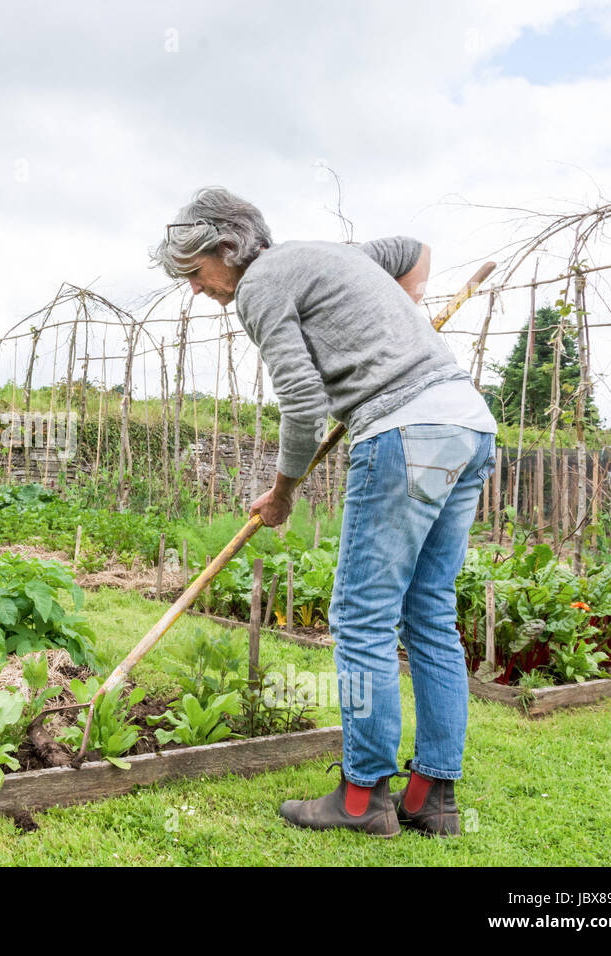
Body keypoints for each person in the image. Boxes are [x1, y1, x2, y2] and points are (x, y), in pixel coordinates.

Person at [151, 187, 497, 837]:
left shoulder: (258, 288)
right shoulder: (332, 257)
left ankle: (363, 797)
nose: (197, 290)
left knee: (362, 617)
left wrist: (282, 494)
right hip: (468, 427)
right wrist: (407, 300)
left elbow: (305, 402)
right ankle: (433, 796)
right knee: (429, 611)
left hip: (402, 434)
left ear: (228, 248)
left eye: (196, 274)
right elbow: (414, 253)